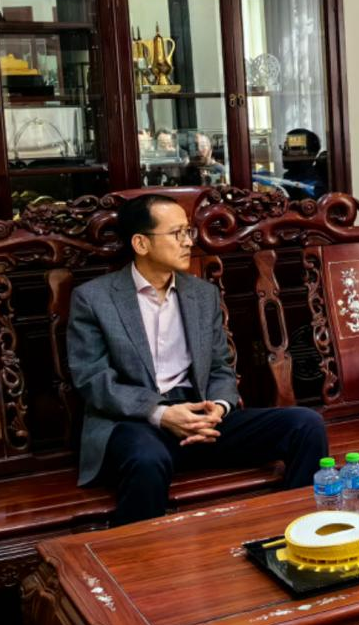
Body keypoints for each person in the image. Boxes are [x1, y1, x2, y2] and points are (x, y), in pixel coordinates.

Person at [67, 193, 328, 525]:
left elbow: (220, 367)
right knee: (147, 459)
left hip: (200, 418)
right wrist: (161, 413)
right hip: (135, 422)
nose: (188, 241)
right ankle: (139, 554)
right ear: (141, 243)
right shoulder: (94, 299)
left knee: (305, 425)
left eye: (187, 231)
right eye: (177, 233)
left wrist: (218, 407)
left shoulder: (202, 294)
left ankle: (300, 531)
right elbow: (94, 381)